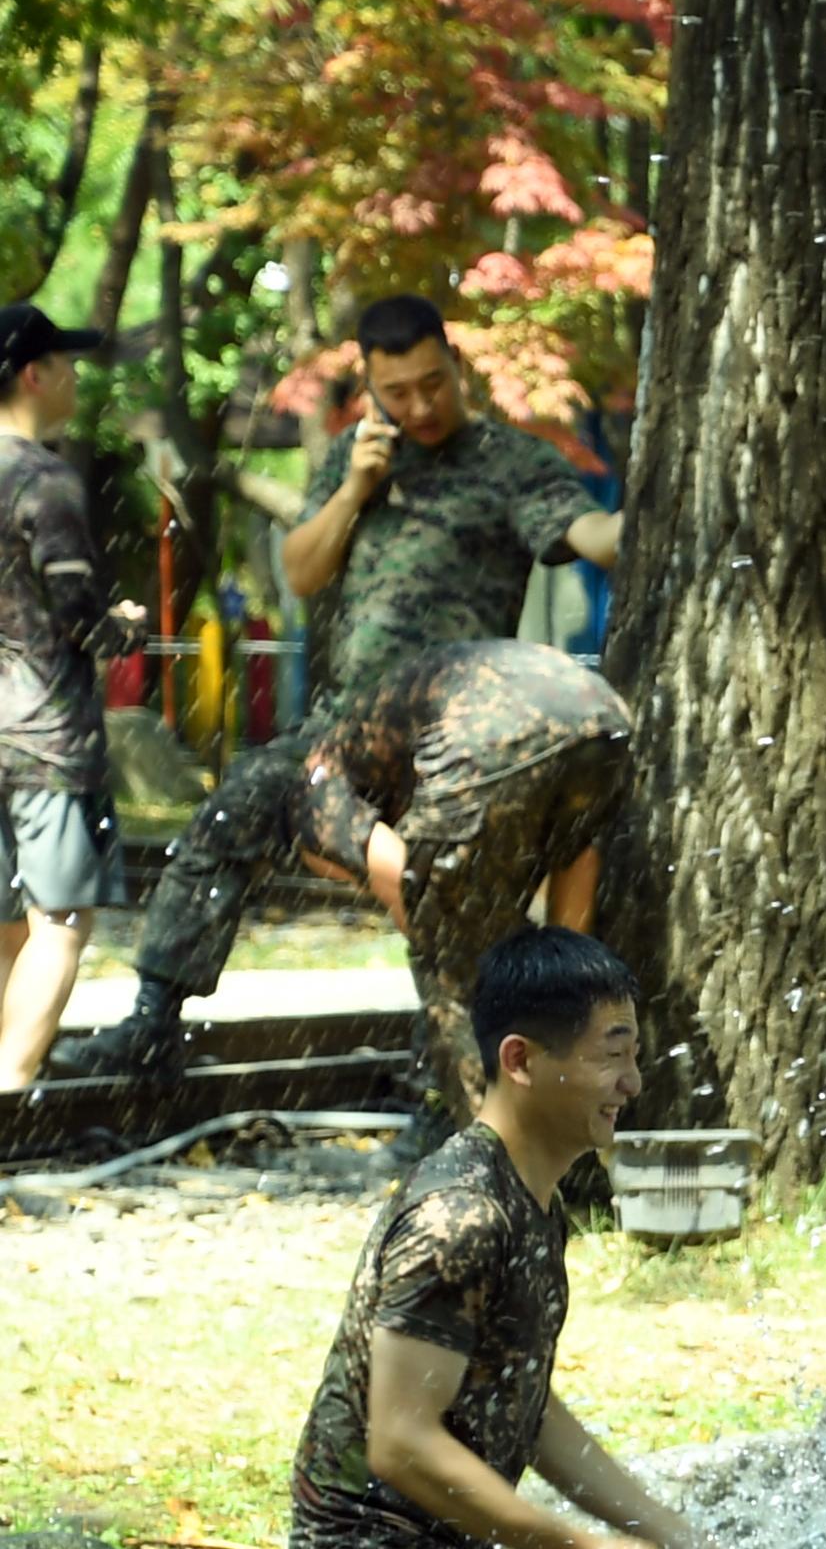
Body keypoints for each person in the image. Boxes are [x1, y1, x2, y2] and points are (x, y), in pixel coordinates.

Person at [61, 296, 618, 1079]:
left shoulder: (510, 461)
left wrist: (640, 527)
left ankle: (448, 1080)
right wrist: (356, 489)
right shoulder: (358, 458)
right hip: (349, 719)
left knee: (442, 892)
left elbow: (585, 532)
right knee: (233, 808)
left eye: (434, 383)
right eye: (399, 392)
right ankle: (155, 1022)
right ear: (371, 386)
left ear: (457, 366)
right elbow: (300, 569)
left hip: (461, 731)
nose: (421, 406)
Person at [283, 929, 718, 1549]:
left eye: (634, 1054)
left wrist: (669, 1533)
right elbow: (401, 1444)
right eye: (610, 1055)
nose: (632, 1081)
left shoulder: (531, 1202)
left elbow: (524, 1404)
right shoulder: (461, 1217)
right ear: (520, 1060)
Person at [291, 638, 633, 1109]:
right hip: (604, 723)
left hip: (492, 738)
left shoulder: (317, 780)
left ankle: (499, 1162)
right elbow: (576, 849)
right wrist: (566, 972)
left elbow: (407, 885)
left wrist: (464, 941)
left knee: (456, 973)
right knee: (556, 996)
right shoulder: (396, 719)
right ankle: (574, 1150)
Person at [0, 303, 144, 1092]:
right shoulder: (43, 478)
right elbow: (78, 616)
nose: (76, 377)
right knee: (60, 922)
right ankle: (11, 1092)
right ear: (34, 374)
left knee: (5, 926)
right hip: (49, 740)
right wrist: (124, 627)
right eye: (66, 363)